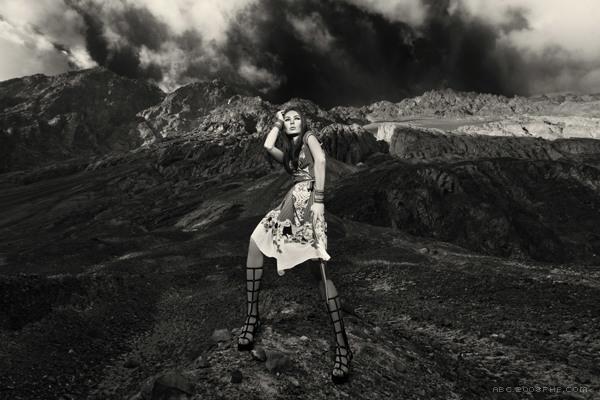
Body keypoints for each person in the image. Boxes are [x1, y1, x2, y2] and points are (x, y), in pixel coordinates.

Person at [237, 108, 353, 384]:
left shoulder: (310, 136)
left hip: (310, 205)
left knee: (319, 269)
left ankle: (343, 347)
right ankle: (252, 317)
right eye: (287, 119)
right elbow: (268, 146)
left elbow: (321, 160)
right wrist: (277, 123)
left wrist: (320, 201)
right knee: (256, 241)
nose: (291, 122)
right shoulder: (290, 151)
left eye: (295, 118)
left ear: (304, 122)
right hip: (290, 205)